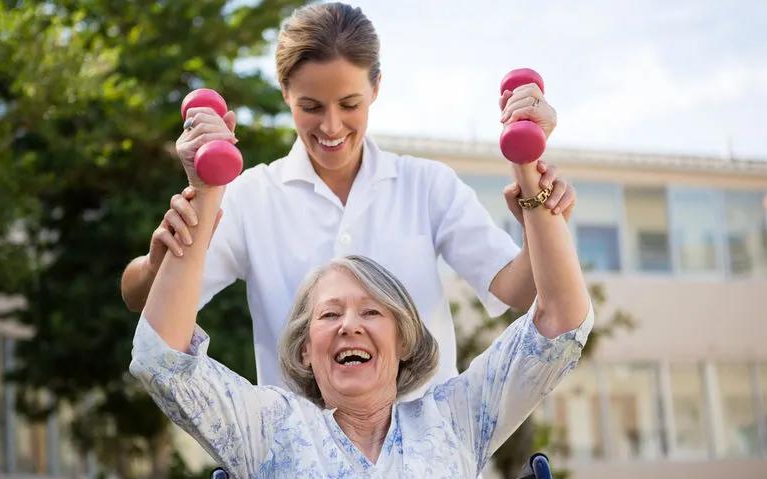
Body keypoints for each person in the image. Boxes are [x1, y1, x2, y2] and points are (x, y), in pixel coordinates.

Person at [129, 155, 592, 479]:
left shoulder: (453, 421)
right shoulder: (272, 431)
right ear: (305, 350)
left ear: (405, 340)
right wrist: (207, 192)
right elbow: (162, 358)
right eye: (329, 314)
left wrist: (533, 186)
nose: (350, 324)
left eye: (371, 311)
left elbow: (560, 325)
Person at [120, 3, 577, 396]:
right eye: (311, 107)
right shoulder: (250, 197)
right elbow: (148, 304)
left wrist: (540, 208)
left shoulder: (427, 184)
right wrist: (160, 262)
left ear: (376, 87)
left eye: (350, 104)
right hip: (300, 467)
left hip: (424, 459)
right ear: (285, 93)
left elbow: (517, 289)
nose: (332, 127)